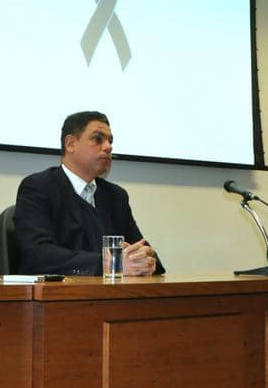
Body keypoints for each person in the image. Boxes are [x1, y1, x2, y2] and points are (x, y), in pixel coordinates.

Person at [13, 111, 164, 276]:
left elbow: (140, 247)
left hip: (110, 296)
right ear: (70, 144)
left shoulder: (115, 196)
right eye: (98, 139)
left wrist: (145, 260)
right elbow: (38, 255)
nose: (108, 147)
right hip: (58, 296)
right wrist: (107, 265)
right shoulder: (38, 187)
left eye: (110, 141)